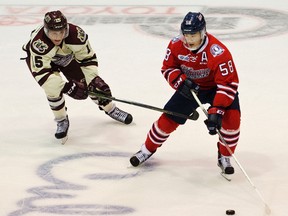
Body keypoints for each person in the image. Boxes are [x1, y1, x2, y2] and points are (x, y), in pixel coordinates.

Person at [130, 12, 240, 175]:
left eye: (193, 35)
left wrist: (217, 111)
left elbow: (228, 84)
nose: (188, 40)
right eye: (186, 34)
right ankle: (146, 150)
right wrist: (180, 81)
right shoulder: (175, 44)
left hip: (217, 88)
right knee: (168, 118)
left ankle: (224, 156)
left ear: (203, 32)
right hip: (190, 88)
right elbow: (167, 68)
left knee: (231, 122)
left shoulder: (218, 52)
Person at [22, 10, 133, 143]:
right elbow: (43, 74)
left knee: (90, 84)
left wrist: (92, 79)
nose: (58, 36)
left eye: (61, 32)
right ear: (46, 30)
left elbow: (88, 59)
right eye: (53, 33)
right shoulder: (39, 44)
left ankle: (110, 109)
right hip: (44, 64)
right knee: (52, 91)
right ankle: (61, 120)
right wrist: (66, 87)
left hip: (66, 58)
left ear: (66, 29)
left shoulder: (76, 35)